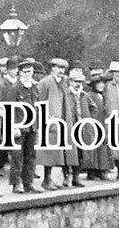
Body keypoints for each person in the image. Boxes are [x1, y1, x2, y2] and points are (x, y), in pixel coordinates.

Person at [7, 58, 41, 193]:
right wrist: (14, 126)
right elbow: (10, 108)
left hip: (32, 126)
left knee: (31, 155)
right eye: (25, 72)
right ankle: (16, 183)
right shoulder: (15, 88)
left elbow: (37, 107)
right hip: (19, 127)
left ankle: (28, 183)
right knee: (17, 156)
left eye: (30, 71)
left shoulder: (34, 87)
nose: (28, 74)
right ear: (20, 73)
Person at [36, 58, 69, 189]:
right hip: (49, 121)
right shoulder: (45, 82)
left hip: (60, 120)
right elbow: (40, 101)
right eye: (58, 68)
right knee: (48, 152)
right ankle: (46, 178)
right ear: (52, 68)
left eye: (63, 68)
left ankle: (51, 178)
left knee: (57, 152)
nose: (61, 71)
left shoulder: (63, 82)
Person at [61, 69, 89, 186]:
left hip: (81, 127)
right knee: (67, 153)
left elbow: (93, 107)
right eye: (76, 81)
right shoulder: (66, 94)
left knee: (80, 153)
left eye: (80, 82)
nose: (78, 84)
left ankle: (76, 177)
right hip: (69, 126)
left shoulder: (83, 95)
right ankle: (67, 177)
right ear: (70, 82)